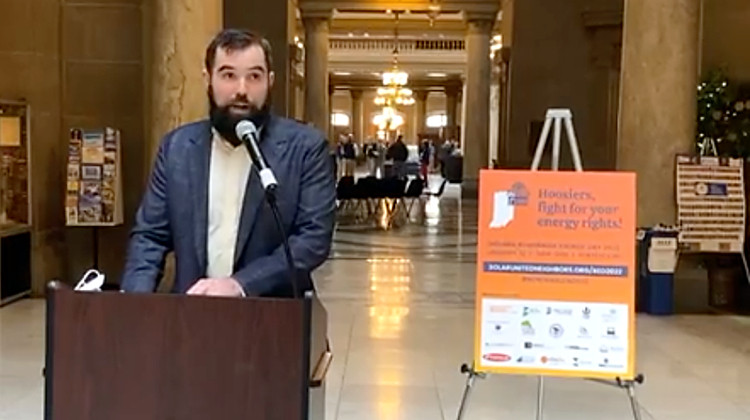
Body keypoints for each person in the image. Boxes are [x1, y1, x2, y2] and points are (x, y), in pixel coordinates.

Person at [120, 29, 336, 298]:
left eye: (254, 77)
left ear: (270, 82)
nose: (241, 90)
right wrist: (134, 303)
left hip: (276, 320)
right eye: (228, 75)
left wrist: (241, 284)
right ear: (207, 79)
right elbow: (150, 237)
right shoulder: (177, 149)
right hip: (193, 318)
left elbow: (312, 239)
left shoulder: (305, 148)